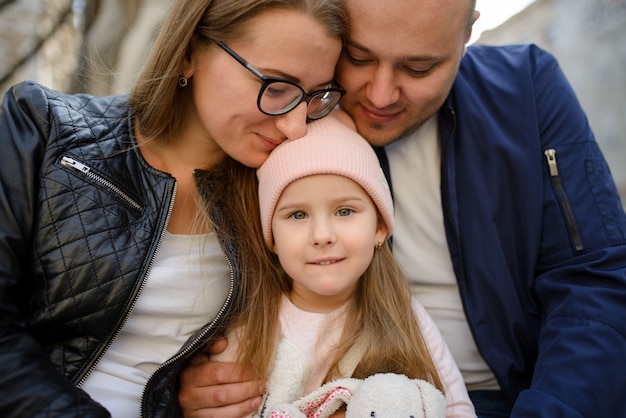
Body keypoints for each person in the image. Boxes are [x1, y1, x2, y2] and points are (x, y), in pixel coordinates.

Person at [178, 0, 626, 417]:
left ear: (468, 34)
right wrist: (206, 380)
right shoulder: (282, 120)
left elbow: (592, 281)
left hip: (520, 394)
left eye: (419, 67)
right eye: (358, 57)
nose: (381, 94)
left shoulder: (525, 91)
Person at [0, 0, 348, 416]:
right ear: (188, 53)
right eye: (275, 88)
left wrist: (177, 398)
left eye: (314, 97)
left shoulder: (289, 193)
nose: (296, 127)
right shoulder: (40, 128)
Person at [210, 115, 475, 417]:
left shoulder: (403, 314)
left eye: (345, 211)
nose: (322, 235)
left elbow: (456, 409)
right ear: (272, 239)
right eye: (297, 215)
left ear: (379, 227)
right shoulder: (253, 328)